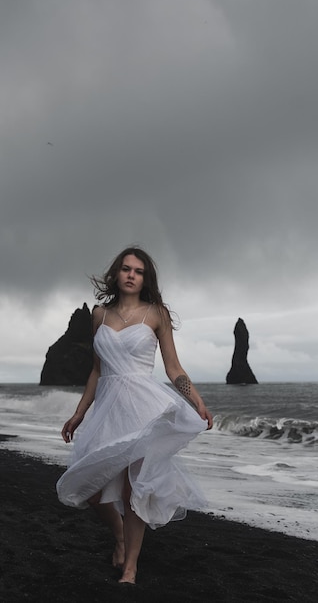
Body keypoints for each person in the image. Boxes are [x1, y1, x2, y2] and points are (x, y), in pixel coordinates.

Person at [56, 246, 213, 585]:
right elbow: (97, 372)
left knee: (133, 492)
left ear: (145, 278)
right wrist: (79, 413)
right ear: (116, 273)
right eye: (126, 268)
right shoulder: (99, 315)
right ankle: (121, 538)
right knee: (92, 490)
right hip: (109, 410)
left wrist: (196, 401)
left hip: (143, 408)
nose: (131, 275)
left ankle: (131, 567)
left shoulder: (156, 314)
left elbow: (173, 368)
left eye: (138, 271)